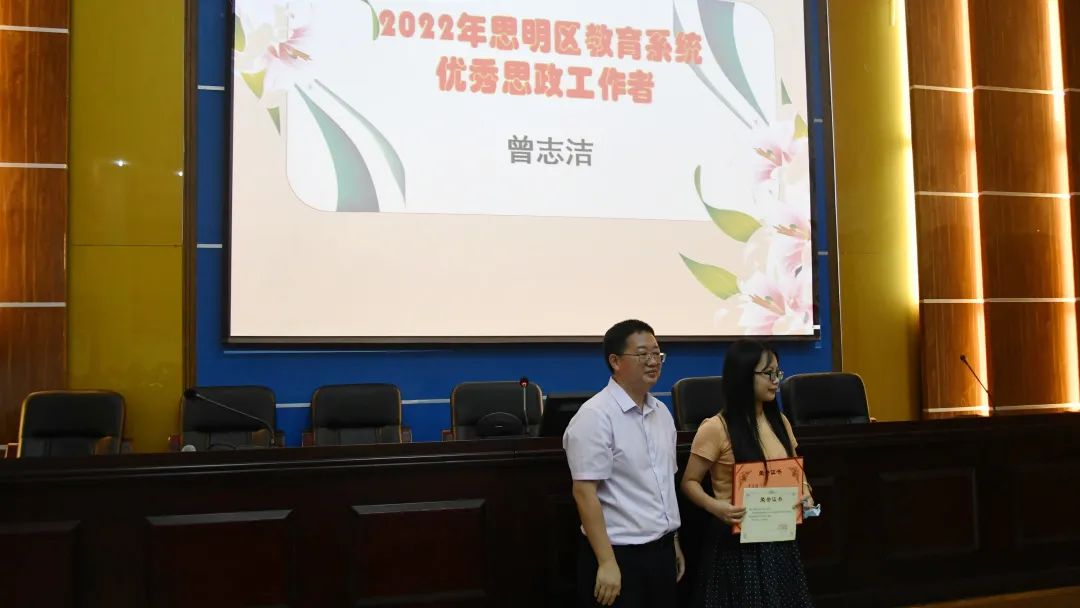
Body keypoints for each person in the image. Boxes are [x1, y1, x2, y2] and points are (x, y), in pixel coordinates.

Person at [680, 339, 815, 607]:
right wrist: (716, 507)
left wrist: (806, 495)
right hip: (737, 545)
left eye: (778, 373)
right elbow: (689, 482)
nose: (775, 381)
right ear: (743, 375)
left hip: (779, 538)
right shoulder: (715, 427)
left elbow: (797, 474)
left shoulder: (780, 422)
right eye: (768, 373)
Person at [563, 319, 685, 607]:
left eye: (657, 353)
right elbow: (584, 493)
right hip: (619, 556)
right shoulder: (595, 416)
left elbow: (664, 486)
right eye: (643, 354)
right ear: (615, 361)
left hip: (661, 552)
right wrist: (607, 562)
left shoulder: (662, 413)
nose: (653, 362)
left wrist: (673, 542)